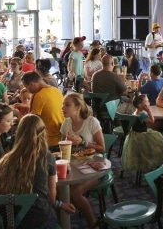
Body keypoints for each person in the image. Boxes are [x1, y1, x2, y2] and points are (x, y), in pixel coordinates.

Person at [0, 114, 76, 228]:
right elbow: (51, 199)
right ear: (43, 134)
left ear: (18, 133)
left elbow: (1, 193)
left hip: (14, 220)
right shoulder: (47, 157)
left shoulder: (5, 160)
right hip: (40, 219)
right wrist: (61, 204)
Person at [60, 93, 105, 228]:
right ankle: (61, 224)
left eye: (67, 105)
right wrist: (66, 143)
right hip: (74, 166)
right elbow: (62, 145)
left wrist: (83, 142)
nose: (63, 108)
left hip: (95, 166)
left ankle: (93, 223)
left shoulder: (91, 122)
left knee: (74, 192)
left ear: (78, 107)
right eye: (63, 104)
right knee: (55, 191)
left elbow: (102, 148)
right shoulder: (66, 124)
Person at [122, 94, 163, 173]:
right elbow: (152, 121)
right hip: (142, 135)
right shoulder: (141, 114)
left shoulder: (135, 112)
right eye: (147, 101)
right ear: (140, 105)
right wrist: (149, 111)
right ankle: (149, 164)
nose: (149, 103)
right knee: (159, 142)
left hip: (134, 135)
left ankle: (144, 165)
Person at [22, 72, 64, 148]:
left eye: (26, 87)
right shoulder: (56, 90)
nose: (27, 90)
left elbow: (31, 121)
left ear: (32, 84)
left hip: (48, 140)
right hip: (62, 136)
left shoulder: (38, 95)